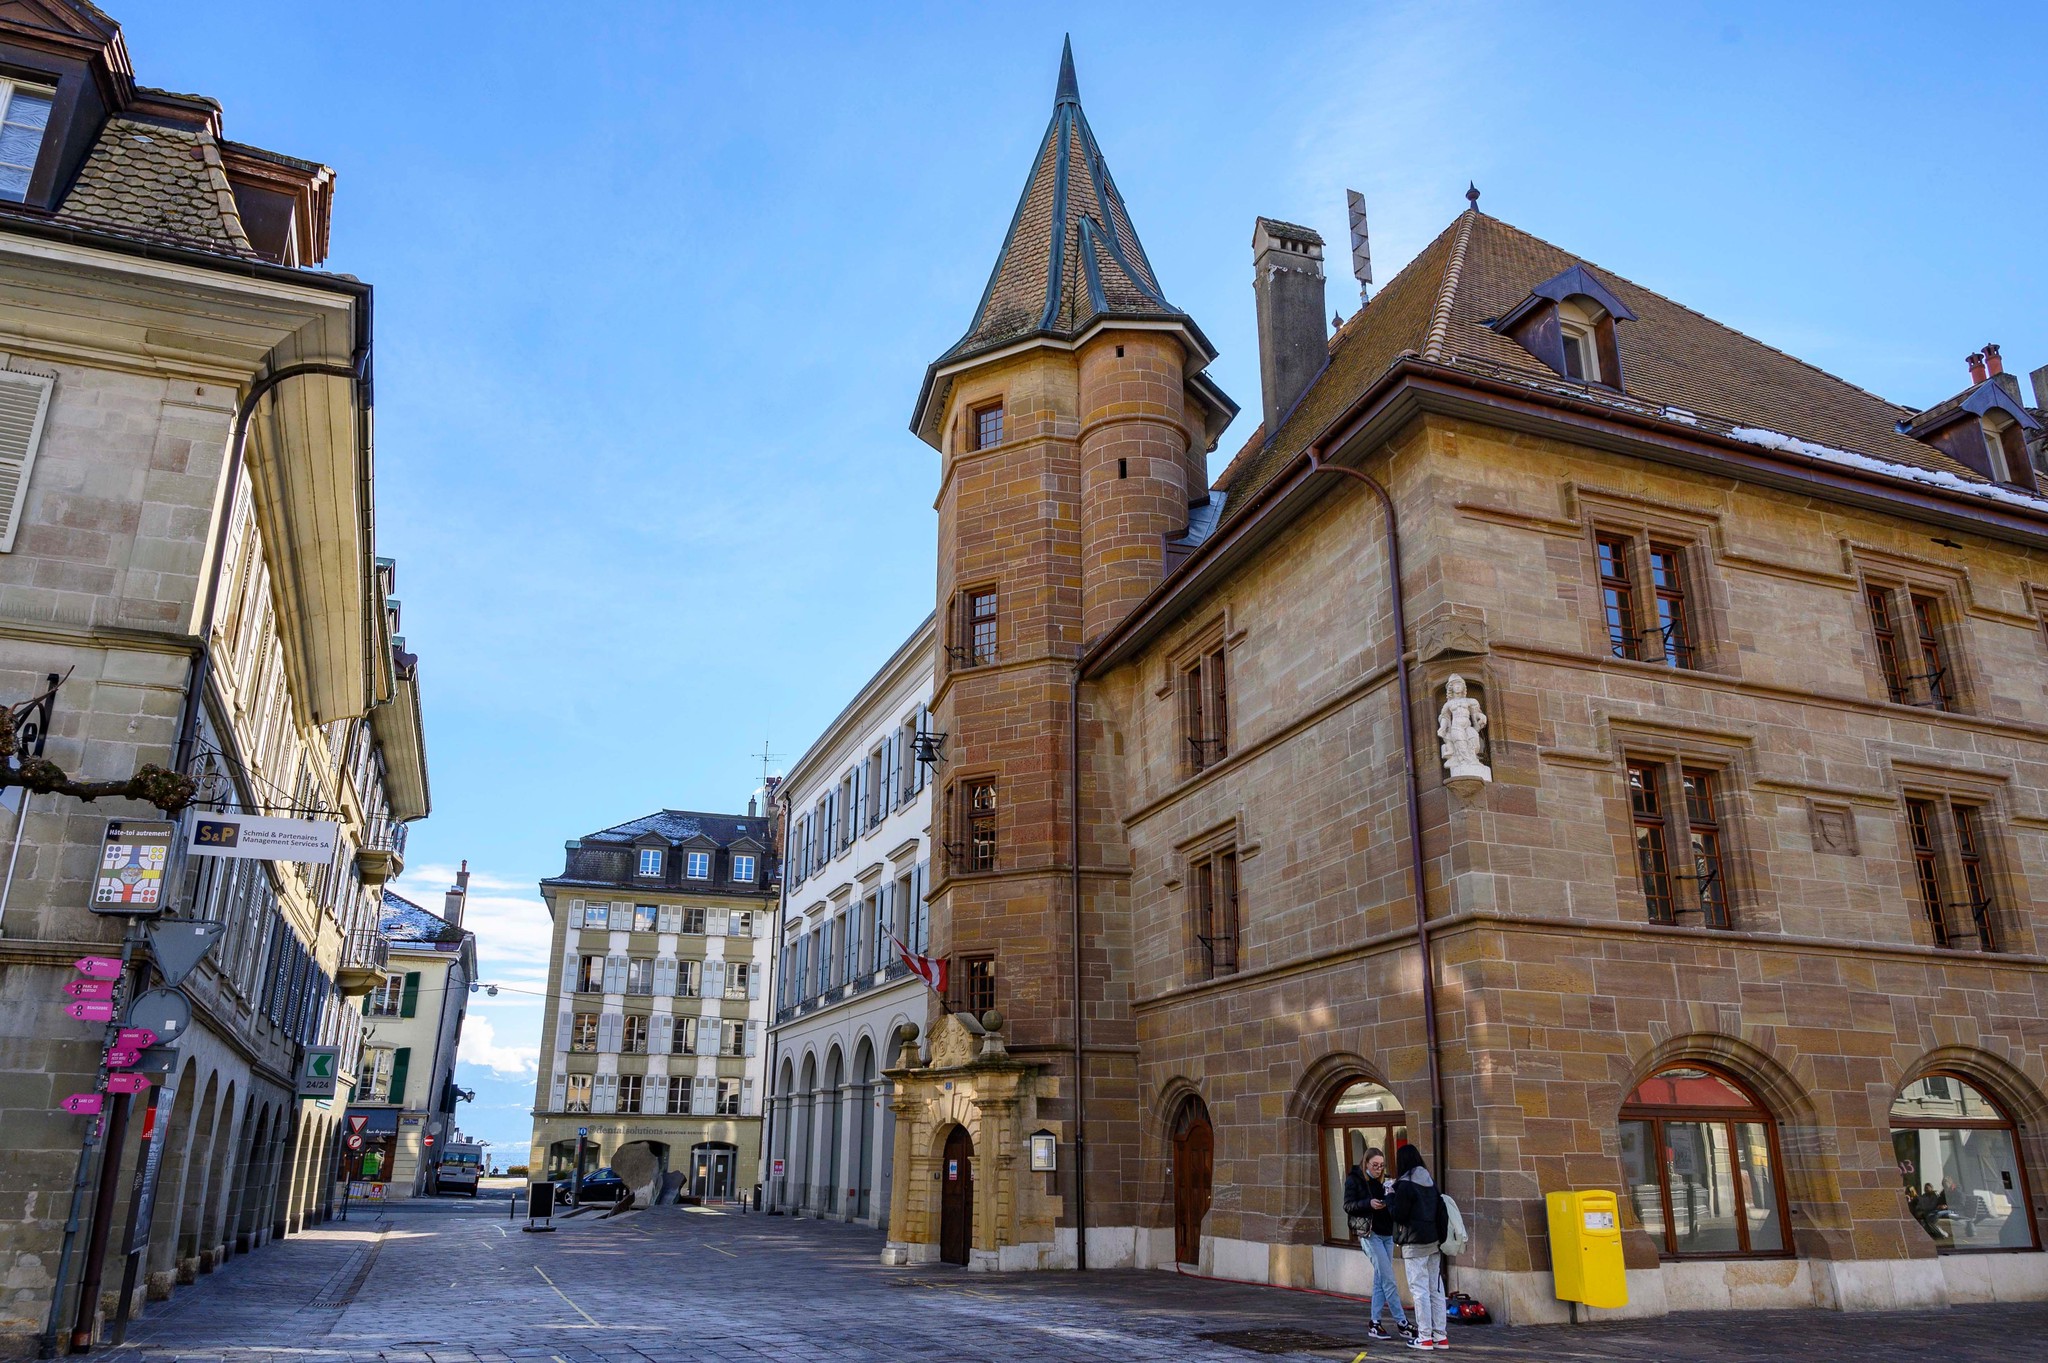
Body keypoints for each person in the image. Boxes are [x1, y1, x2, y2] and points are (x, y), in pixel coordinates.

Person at [1344, 1147, 1415, 1341]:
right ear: (1366, 1163)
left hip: (1387, 1234)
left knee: (1380, 1280)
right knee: (1388, 1279)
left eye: (1381, 1166)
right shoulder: (1355, 1179)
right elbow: (1348, 1205)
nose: (1378, 1169)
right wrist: (1369, 1203)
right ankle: (1402, 1323)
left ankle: (1375, 1323)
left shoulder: (1386, 1180)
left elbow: (1393, 1206)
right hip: (1370, 1234)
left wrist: (1391, 1196)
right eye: (1375, 1165)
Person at [1389, 1145, 1449, 1350]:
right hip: (1434, 1242)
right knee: (1435, 1289)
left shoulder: (1405, 1185)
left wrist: (1389, 1196)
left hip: (1414, 1244)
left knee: (1420, 1290)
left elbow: (1399, 1214)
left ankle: (1424, 1337)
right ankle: (1440, 1336)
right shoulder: (1430, 1182)